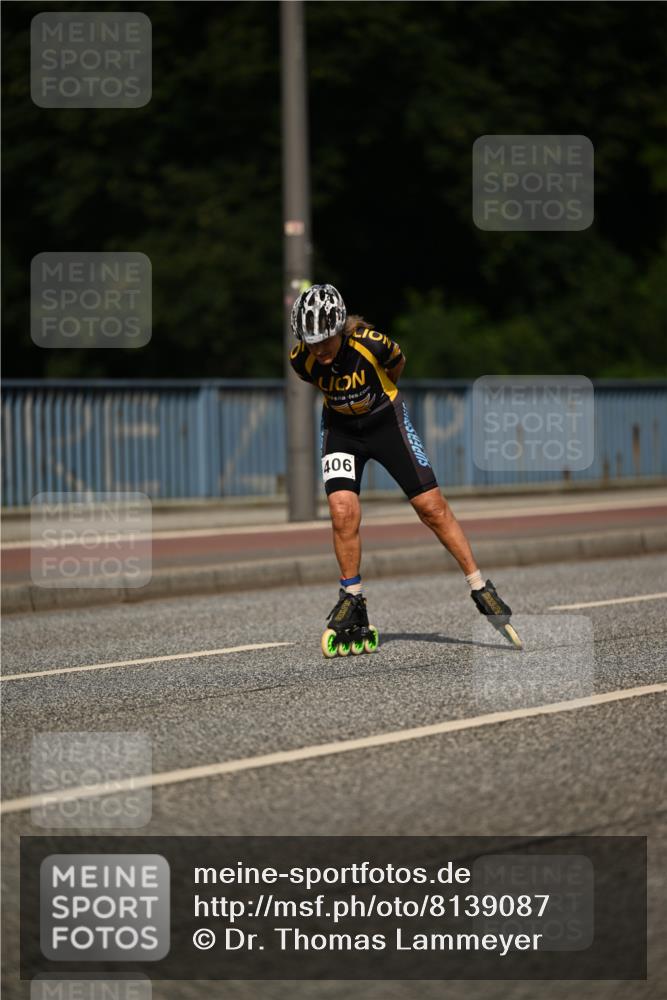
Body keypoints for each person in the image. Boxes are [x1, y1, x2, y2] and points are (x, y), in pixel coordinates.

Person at [289, 283, 522, 654]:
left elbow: (397, 363)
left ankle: (480, 586)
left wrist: (381, 399)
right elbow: (318, 379)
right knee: (342, 512)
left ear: (340, 329)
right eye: (311, 342)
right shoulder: (300, 360)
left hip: (386, 424)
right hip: (341, 432)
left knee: (431, 507)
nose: (319, 350)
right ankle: (352, 597)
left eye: (325, 340)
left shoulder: (371, 344)